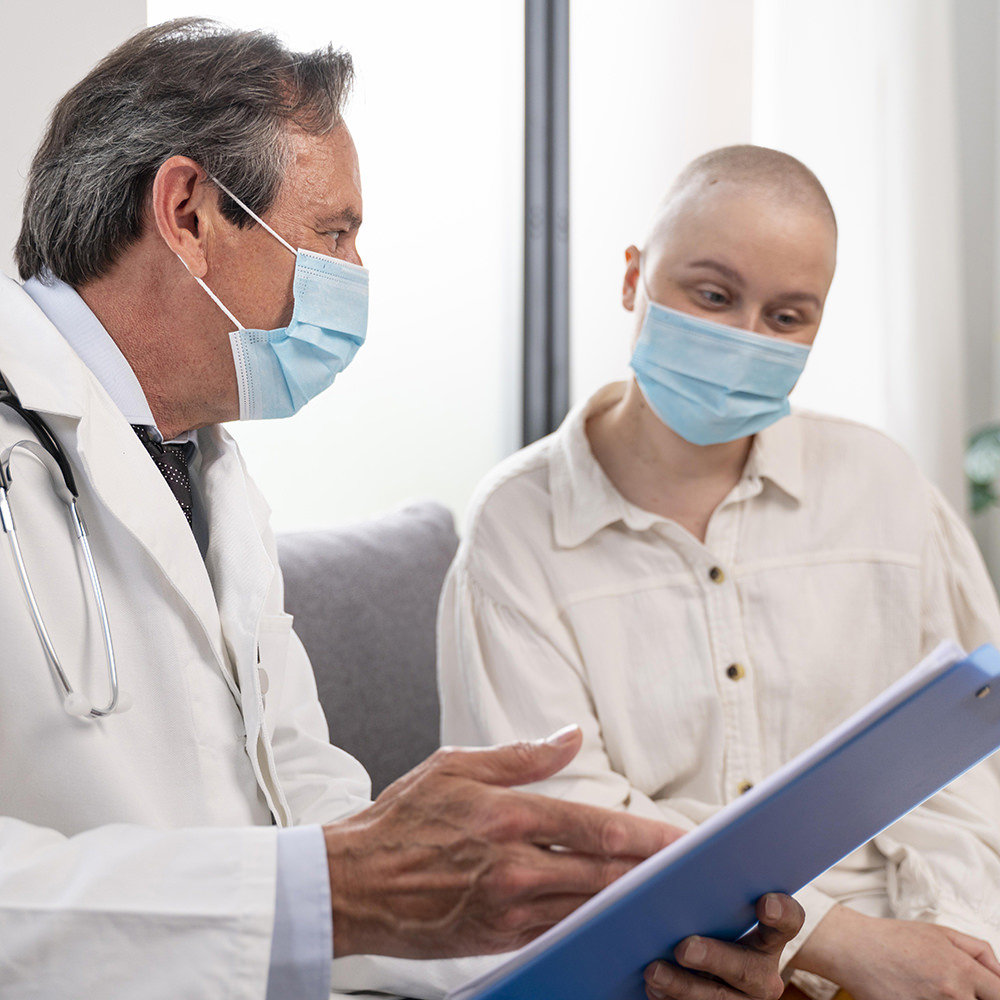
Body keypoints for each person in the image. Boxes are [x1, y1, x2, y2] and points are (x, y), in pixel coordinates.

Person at [0, 20, 806, 1000]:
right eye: (333, 232)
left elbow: (301, 793)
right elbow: (317, 883)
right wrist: (333, 890)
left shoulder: (208, 471)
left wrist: (624, 954)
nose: (358, 276)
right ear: (189, 212)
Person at [438, 144, 1000, 1000]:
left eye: (787, 316)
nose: (745, 339)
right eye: (713, 294)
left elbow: (967, 764)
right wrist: (828, 940)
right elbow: (561, 826)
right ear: (634, 279)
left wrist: (948, 949)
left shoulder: (883, 487)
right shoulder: (517, 528)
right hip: (656, 964)